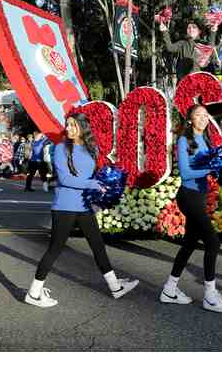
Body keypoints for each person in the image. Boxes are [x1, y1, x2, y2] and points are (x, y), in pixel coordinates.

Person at [25, 113, 139, 308]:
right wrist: (93, 184)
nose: (68, 128)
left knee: (97, 245)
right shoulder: (60, 148)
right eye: (67, 125)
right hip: (65, 207)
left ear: (83, 127)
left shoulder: (89, 149)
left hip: (84, 206)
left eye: (73, 125)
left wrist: (105, 186)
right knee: (55, 249)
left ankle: (115, 286)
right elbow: (66, 179)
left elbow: (93, 175)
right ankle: (34, 293)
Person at [159, 104, 222, 312]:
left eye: (205, 115)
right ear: (190, 120)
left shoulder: (206, 139)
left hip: (199, 197)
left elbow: (211, 168)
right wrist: (212, 168)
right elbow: (186, 173)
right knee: (213, 242)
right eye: (198, 115)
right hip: (188, 196)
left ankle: (169, 289)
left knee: (190, 243)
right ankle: (210, 295)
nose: (203, 118)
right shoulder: (184, 140)